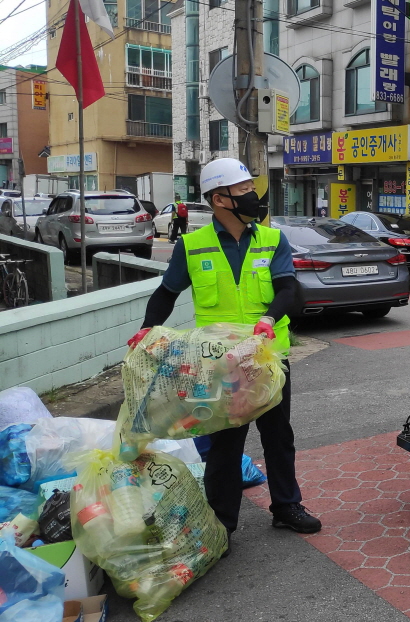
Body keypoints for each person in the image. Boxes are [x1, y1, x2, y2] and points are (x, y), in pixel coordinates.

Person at [127, 158, 321, 549]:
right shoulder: (193, 246)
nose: (254, 196)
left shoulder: (272, 239)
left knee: (278, 436)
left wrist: (269, 319)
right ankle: (221, 522)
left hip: (267, 358)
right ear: (219, 198)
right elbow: (167, 292)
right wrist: (147, 328)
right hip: (217, 362)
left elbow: (287, 288)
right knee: (225, 444)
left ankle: (286, 507)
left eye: (252, 188)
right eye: (244, 190)